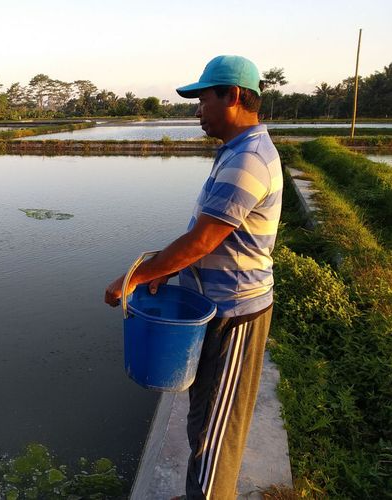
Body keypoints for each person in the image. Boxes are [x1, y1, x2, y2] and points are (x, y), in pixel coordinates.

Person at [104, 55, 282, 499]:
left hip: (235, 314)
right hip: (214, 306)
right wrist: (166, 270)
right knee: (203, 421)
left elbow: (203, 240)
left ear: (235, 97)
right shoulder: (236, 153)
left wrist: (135, 278)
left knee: (215, 437)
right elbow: (206, 240)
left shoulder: (249, 160)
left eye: (204, 99)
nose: (197, 110)